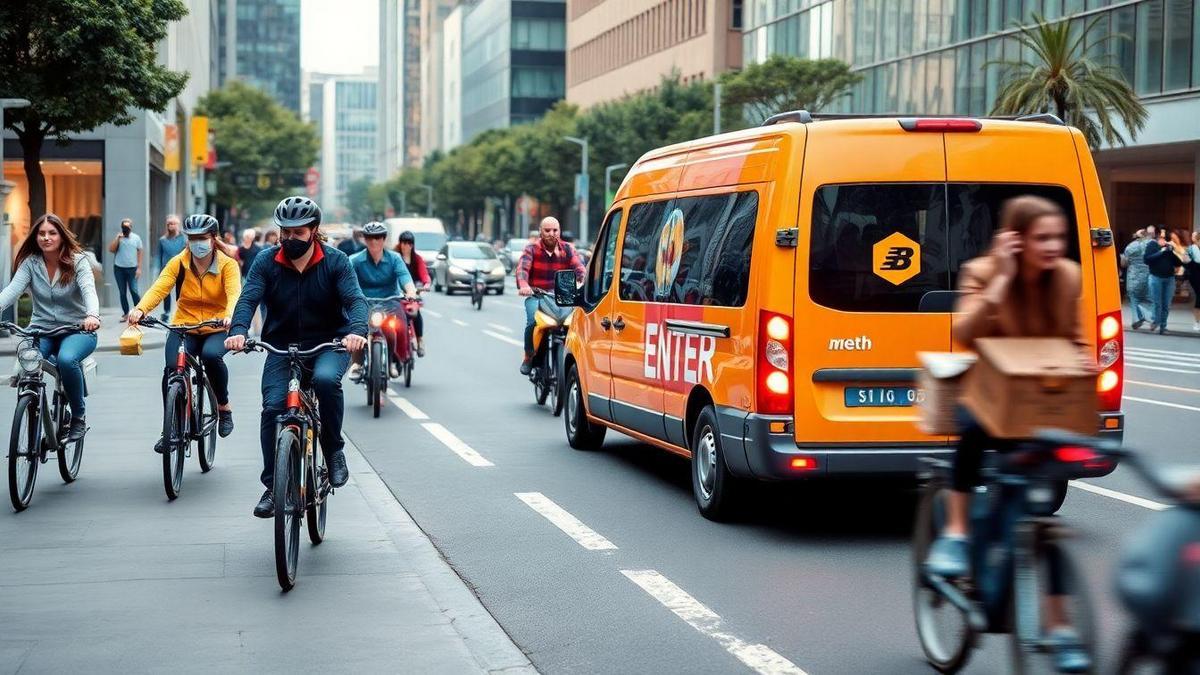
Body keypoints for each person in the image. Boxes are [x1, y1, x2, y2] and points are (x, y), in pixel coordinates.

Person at [924, 196, 1093, 671]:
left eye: (1058, 237)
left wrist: (1083, 359)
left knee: (1043, 523)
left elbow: (1075, 337)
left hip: (1040, 403)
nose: (1053, 247)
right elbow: (966, 333)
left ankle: (1060, 628)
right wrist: (1000, 280)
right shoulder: (983, 272)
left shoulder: (1068, 278)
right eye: (1042, 238)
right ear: (1016, 239)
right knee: (973, 430)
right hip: (990, 396)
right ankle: (955, 533)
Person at [224, 196, 368, 518]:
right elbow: (248, 299)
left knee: (325, 380)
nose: (289, 238)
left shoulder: (336, 261)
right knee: (273, 407)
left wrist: (356, 330)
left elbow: (356, 301)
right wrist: (238, 330)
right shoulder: (265, 261)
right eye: (284, 232)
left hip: (329, 343)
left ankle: (333, 451)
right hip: (282, 346)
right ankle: (273, 487)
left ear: (314, 231)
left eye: (298, 232)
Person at [127, 214, 240, 450]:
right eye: (192, 238)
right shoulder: (179, 262)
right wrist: (140, 309)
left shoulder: (227, 264)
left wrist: (230, 315)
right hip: (183, 325)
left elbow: (233, 294)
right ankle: (172, 426)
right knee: (171, 370)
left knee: (211, 356)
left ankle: (223, 406)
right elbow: (159, 288)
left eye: (202, 238)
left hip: (216, 325)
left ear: (213, 238)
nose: (197, 243)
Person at [0, 214, 101, 441]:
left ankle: (77, 417)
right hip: (40, 330)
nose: (46, 238)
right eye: (41, 233)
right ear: (36, 237)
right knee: (27, 366)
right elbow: (11, 292)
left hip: (77, 330)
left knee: (66, 360)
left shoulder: (78, 261)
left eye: (52, 233)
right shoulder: (30, 264)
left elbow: (89, 291)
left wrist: (92, 315)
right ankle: (33, 406)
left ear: (61, 236)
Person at [515, 216, 586, 375]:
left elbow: (580, 268)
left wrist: (584, 281)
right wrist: (524, 285)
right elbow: (522, 270)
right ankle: (528, 357)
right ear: (540, 232)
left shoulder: (568, 249)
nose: (551, 233)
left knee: (576, 322)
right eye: (547, 230)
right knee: (532, 321)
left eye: (555, 230)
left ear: (559, 232)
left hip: (563, 297)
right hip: (537, 296)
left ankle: (574, 358)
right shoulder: (531, 249)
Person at [349, 222, 418, 380]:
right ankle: (357, 364)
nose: (374, 241)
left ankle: (394, 360)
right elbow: (346, 282)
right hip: (364, 302)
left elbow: (405, 278)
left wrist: (411, 291)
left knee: (399, 327)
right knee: (357, 329)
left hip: (390, 301)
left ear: (384, 239)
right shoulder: (355, 260)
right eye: (370, 238)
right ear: (365, 240)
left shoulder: (395, 259)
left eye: (378, 237)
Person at [395, 230, 432, 356]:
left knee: (415, 313)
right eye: (404, 243)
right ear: (400, 244)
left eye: (409, 243)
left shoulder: (417, 259)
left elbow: (424, 275)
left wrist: (426, 284)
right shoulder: (394, 258)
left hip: (413, 294)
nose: (406, 246)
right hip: (396, 294)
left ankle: (420, 340)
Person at [1144, 225, 1184, 335]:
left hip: (1169, 279)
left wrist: (1172, 251)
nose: (1163, 237)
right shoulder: (1151, 245)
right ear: (1157, 236)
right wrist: (1161, 251)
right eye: (1161, 235)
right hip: (1156, 278)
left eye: (1164, 236)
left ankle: (1163, 326)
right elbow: (1147, 260)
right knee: (1157, 303)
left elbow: (1178, 263)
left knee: (1166, 304)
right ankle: (1156, 323)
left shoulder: (1168, 247)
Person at [108, 217, 144, 320]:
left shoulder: (136, 238)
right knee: (122, 292)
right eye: (124, 227)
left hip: (132, 268)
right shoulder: (119, 238)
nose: (126, 229)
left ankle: (139, 312)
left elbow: (140, 251)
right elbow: (111, 249)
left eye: (127, 227)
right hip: (119, 268)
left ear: (131, 227)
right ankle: (126, 313)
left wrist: (139, 268)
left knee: (134, 290)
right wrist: (117, 239)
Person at [1122, 227, 1153, 330]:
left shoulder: (1130, 246)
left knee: (1134, 298)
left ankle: (1138, 318)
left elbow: (1124, 263)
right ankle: (1143, 317)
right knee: (1149, 299)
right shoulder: (1151, 244)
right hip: (1149, 275)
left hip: (1134, 276)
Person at [157, 215, 187, 321]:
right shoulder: (162, 240)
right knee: (166, 292)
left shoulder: (184, 239)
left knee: (180, 291)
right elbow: (159, 256)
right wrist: (158, 271)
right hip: (166, 269)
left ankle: (180, 311)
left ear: (178, 225)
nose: (171, 226)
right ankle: (167, 312)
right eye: (169, 224)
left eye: (173, 224)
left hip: (181, 269)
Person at [1186, 231, 1200, 332]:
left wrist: (1192, 263)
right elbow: (1186, 263)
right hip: (1195, 277)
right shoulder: (1190, 249)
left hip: (1195, 273)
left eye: (1193, 236)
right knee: (1198, 299)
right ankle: (1197, 322)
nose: (1191, 237)